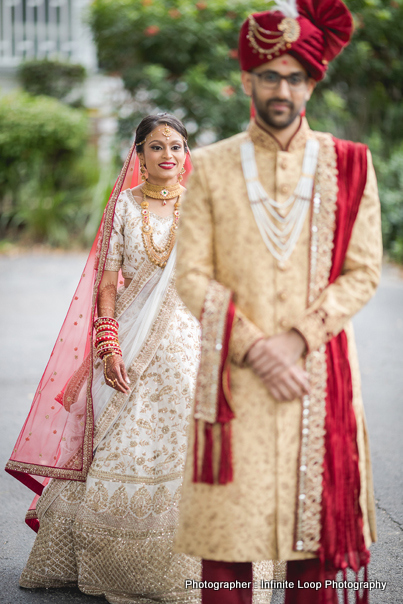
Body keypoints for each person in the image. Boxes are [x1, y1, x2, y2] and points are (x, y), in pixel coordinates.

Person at [173, 1, 382, 603]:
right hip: (236, 386)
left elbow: (363, 272)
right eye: (269, 75)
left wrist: (297, 339)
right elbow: (192, 275)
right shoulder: (209, 167)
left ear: (312, 82)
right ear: (246, 79)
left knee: (312, 555)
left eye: (294, 76)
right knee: (229, 551)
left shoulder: (350, 165)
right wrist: (256, 347)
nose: (281, 88)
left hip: (318, 380)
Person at [6, 114, 202, 603]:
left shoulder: (203, 207)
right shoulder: (123, 208)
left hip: (190, 341)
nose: (168, 155)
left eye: (176, 146)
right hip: (128, 342)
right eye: (156, 147)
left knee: (185, 444)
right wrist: (108, 343)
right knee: (119, 440)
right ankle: (110, 559)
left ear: (185, 154)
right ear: (138, 155)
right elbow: (107, 283)